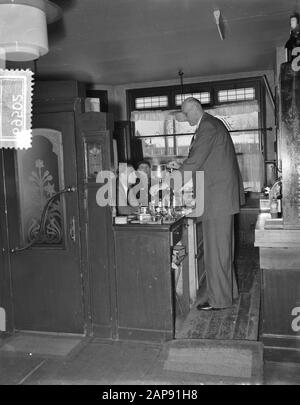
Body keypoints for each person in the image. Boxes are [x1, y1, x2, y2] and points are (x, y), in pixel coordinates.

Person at [165, 97, 244, 310]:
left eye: (185, 113)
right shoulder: (210, 125)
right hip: (220, 198)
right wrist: (182, 163)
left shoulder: (207, 126)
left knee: (216, 251)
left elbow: (197, 160)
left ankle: (219, 301)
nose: (184, 118)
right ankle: (228, 293)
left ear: (195, 109)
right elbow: (203, 159)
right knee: (222, 250)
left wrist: (168, 184)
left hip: (217, 199)